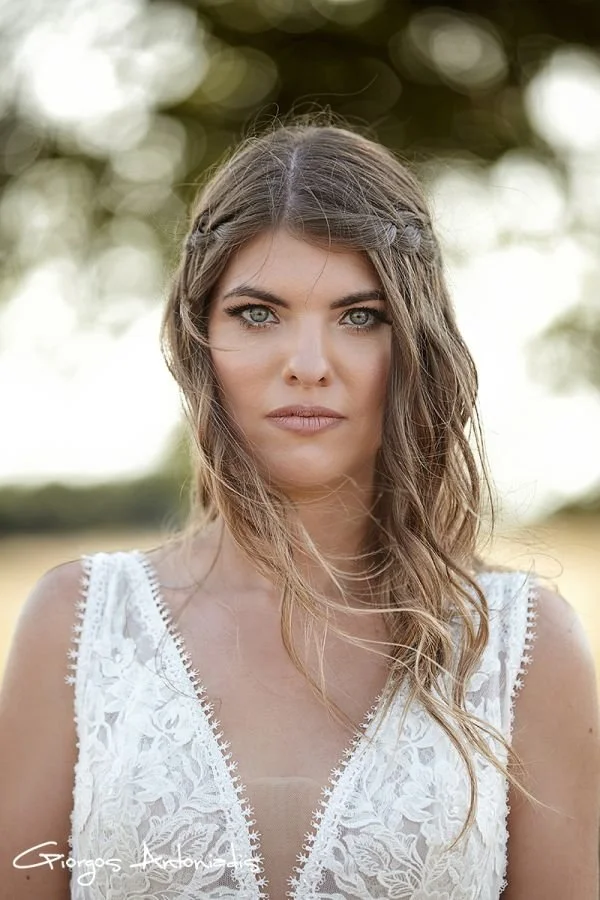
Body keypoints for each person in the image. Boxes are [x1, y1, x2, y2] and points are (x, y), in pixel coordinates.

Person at [1, 113, 599, 900]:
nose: (308, 365)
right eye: (258, 313)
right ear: (198, 341)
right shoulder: (79, 624)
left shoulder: (521, 648)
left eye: (361, 316)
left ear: (416, 341)